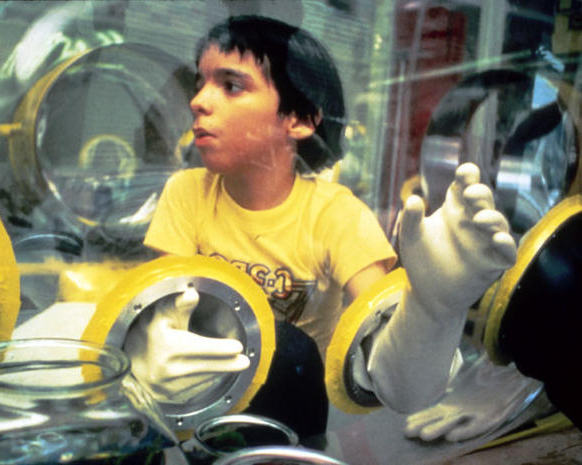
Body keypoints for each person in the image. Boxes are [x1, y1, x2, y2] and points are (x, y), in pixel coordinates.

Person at [124, 15, 517, 431]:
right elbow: (166, 311)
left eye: (231, 85)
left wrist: (432, 310)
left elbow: (385, 359)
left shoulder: (338, 216)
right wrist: (146, 347)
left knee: (288, 346)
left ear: (300, 120)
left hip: (293, 407)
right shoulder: (187, 193)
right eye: (200, 82)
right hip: (203, 405)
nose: (198, 101)